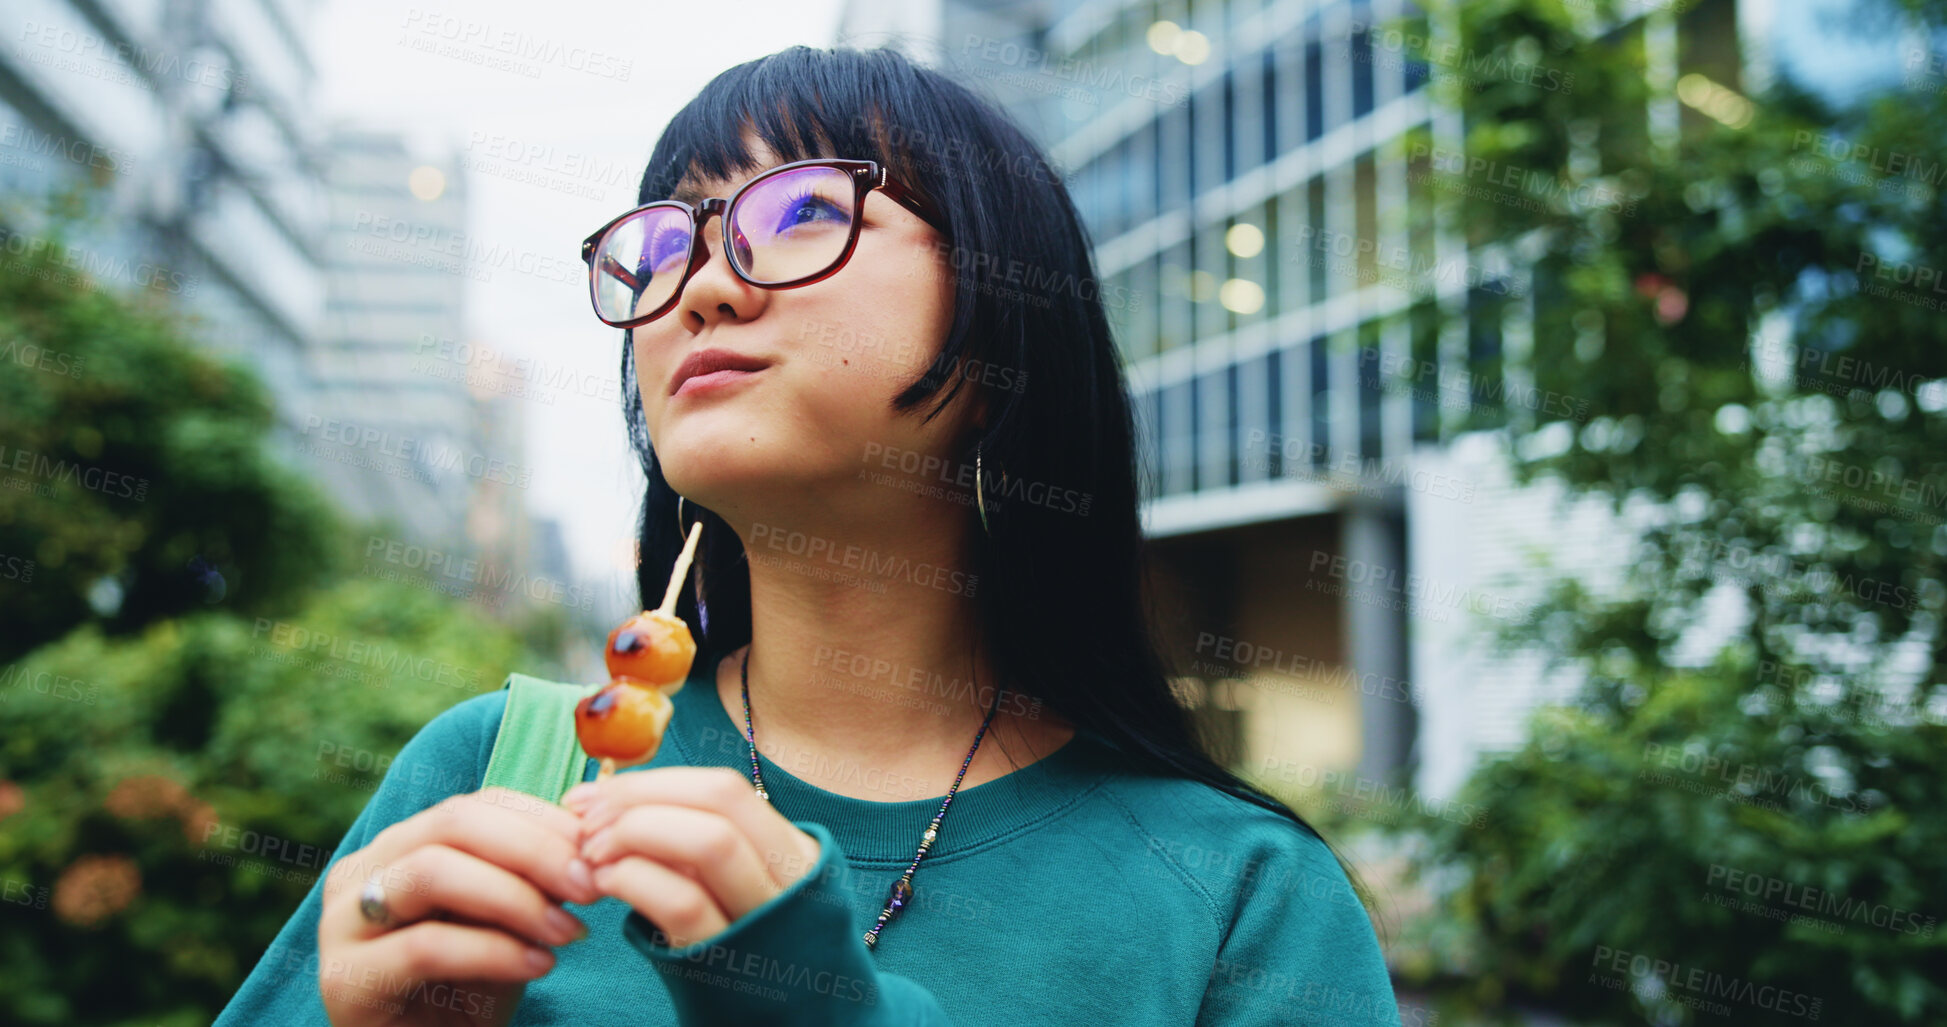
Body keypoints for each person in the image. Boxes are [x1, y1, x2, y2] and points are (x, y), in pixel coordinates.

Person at [213, 44, 1400, 1026]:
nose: (702, 288)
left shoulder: (1240, 898)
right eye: (668, 240)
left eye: (803, 213)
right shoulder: (497, 776)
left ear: (1003, 336)